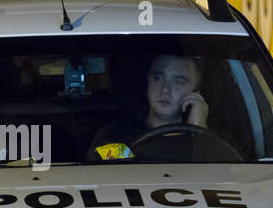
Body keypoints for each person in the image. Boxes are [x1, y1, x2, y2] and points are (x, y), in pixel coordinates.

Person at [86, 54, 222, 161]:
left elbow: (220, 179)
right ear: (147, 82)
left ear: (195, 93)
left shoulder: (215, 141)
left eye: (178, 82)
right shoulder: (115, 134)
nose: (165, 90)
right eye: (157, 78)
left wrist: (198, 127)